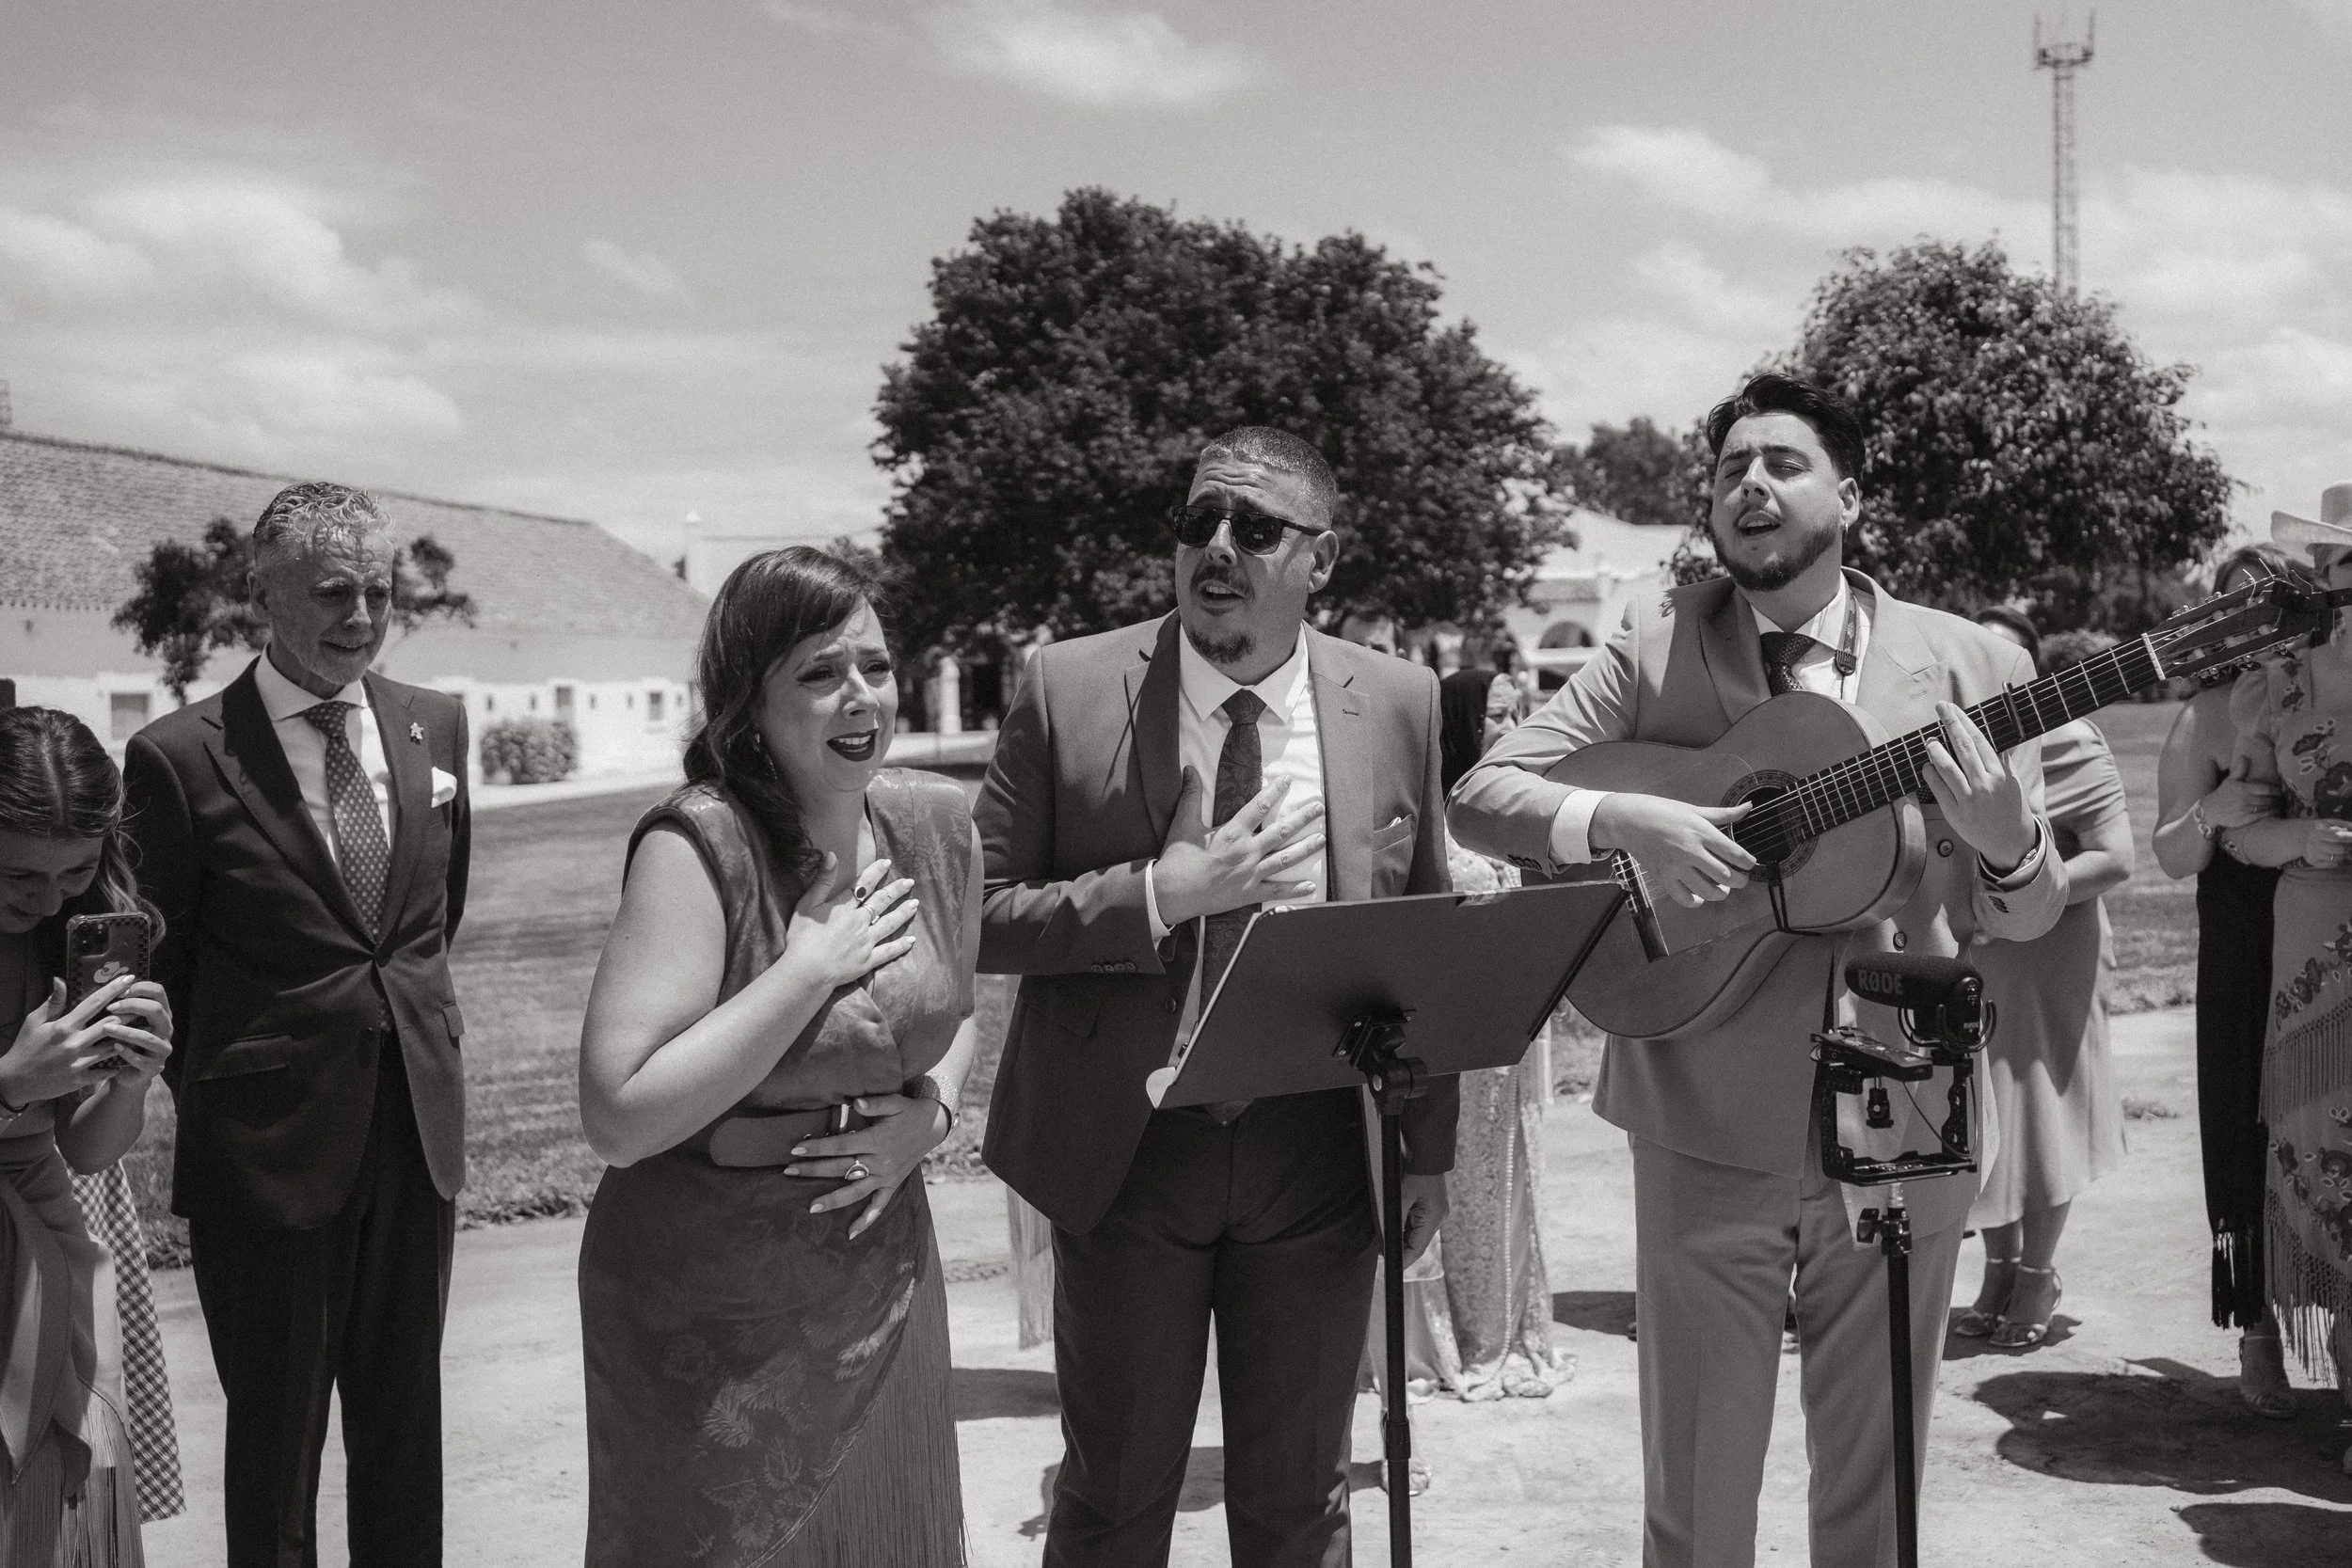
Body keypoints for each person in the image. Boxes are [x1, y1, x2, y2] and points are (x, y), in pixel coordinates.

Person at [1452, 373, 2064, 1568]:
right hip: (1699, 1092)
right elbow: (1483, 794)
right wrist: (1623, 815)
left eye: (1782, 462)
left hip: (1907, 1080)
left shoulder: (1969, 659)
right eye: (1730, 467)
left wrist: (2007, 841)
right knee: (1695, 1475)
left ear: (1851, 494)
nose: (1749, 485)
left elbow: (2029, 909)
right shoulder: (1653, 641)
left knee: (1878, 1470)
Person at [978, 426, 1457, 1566]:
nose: (1219, 546)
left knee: (1301, 1501)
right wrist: (1161, 894)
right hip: (1128, 1149)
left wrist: (1423, 1149)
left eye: (1256, 526)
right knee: (1112, 1495)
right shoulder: (1066, 685)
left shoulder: (1400, 701)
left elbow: (1424, 935)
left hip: (1319, 1151)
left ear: (1321, 557)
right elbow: (977, 912)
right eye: (1199, 521)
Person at [576, 546, 976, 1567]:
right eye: (819, 672)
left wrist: (932, 1115)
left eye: (874, 666)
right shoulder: (695, 845)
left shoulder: (936, 824)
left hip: (884, 1274)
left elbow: (956, 1007)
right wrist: (805, 969)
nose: (861, 695)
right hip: (710, 1306)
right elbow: (618, 1113)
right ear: (749, 706)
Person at [123, 482, 473, 1568]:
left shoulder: (434, 723)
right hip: (267, 1154)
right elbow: (161, 962)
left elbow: (428, 922)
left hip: (415, 1130)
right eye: (332, 592)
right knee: (276, 1449)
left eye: (379, 591)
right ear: (261, 590)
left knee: (405, 1430)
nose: (361, 616)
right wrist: (251, 1081)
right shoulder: (180, 755)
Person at [0, 705, 177, 1564]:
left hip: (45, 1246)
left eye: (77, 868)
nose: (50, 898)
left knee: (62, 1516)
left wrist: (131, 1081)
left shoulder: (81, 933)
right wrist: (10, 1085)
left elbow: (86, 1149)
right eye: (18, 874)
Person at [2209, 485, 2352, 1467]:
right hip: (2314, 956)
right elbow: (2237, 828)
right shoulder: (2280, 681)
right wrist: (2299, 838)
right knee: (2329, 1158)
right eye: (2344, 564)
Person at [1951, 609, 2133, 1349]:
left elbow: (2115, 858)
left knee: (2046, 1111)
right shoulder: (1949, 750)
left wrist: (2021, 897)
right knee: (1984, 1114)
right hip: (1980, 954)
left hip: (2055, 948)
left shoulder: (2072, 741)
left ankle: (2038, 1273)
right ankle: (1997, 1268)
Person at [2150, 543, 2301, 1416]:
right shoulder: (2204, 714)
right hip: (2243, 941)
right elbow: (2171, 854)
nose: (2254, 621)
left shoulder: (2330, 695)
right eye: (2234, 605)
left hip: (2330, 933)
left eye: (2268, 599)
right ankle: (2259, 1329)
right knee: (2246, 1118)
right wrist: (2215, 809)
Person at [1424, 668, 1571, 1400]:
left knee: (1517, 1174)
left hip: (1516, 1029)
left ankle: (1516, 1327)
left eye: (1520, 715)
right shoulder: (1431, 817)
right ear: (1460, 726)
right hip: (1457, 1033)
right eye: (1498, 718)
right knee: (1465, 1183)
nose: (1513, 730)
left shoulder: (1511, 811)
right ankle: (1473, 1331)